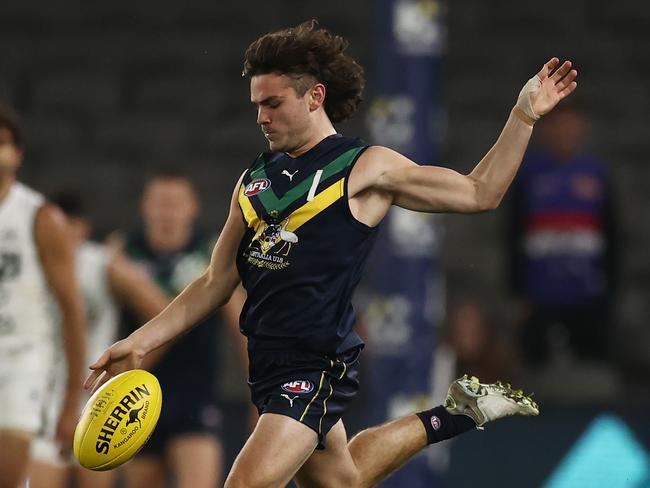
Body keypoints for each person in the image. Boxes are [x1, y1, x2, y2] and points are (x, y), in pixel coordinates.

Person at [86, 21, 577, 488]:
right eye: (257, 105)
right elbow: (215, 281)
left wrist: (523, 116)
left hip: (316, 364)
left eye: (273, 103)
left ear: (314, 95)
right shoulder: (254, 178)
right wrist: (142, 341)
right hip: (269, 365)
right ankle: (456, 413)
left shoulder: (365, 168)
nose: (261, 116)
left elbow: (478, 193)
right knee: (347, 478)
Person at [27, 191, 170, 488]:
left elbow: (162, 312)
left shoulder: (100, 265)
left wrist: (132, 374)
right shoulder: (30, 266)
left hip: (98, 398)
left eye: (66, 226)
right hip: (42, 399)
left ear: (82, 228)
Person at [116, 171, 246, 488]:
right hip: (137, 400)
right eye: (160, 203)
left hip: (195, 397)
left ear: (193, 207)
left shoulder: (213, 255)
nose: (167, 213)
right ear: (145, 206)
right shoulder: (123, 253)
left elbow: (243, 327)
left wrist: (262, 396)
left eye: (175, 204)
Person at [0, 106, 86, 488]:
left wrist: (70, 403)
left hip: (22, 365)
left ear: (17, 154)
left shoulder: (39, 216)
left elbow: (72, 310)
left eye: (0, 144)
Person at [506, 105, 618, 368]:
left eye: (572, 127)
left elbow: (613, 236)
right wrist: (517, 289)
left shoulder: (597, 173)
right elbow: (512, 233)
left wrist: (610, 288)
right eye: (560, 127)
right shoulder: (529, 174)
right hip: (539, 294)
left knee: (592, 366)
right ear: (547, 131)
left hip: (588, 294)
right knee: (534, 369)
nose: (566, 134)